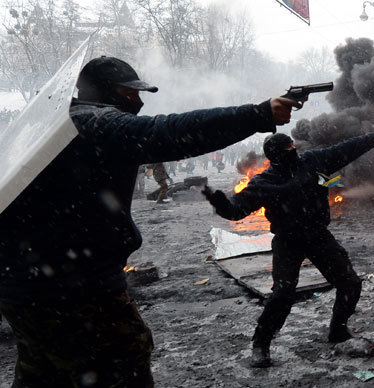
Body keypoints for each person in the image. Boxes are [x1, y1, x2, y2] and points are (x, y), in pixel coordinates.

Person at [0, 55, 299, 387]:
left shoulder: (45, 128)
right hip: (75, 288)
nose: (139, 102)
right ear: (106, 92)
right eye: (131, 94)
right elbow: (167, 131)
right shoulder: (92, 122)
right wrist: (257, 114)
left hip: (22, 284)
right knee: (125, 363)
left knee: (42, 371)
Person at [203, 125, 374, 368]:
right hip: (288, 241)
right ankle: (261, 343)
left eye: (293, 146)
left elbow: (347, 149)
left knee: (349, 283)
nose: (293, 151)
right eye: (287, 149)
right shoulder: (264, 182)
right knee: (283, 295)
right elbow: (237, 209)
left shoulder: (313, 161)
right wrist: (220, 203)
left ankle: (338, 331)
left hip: (318, 236)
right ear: (275, 156)